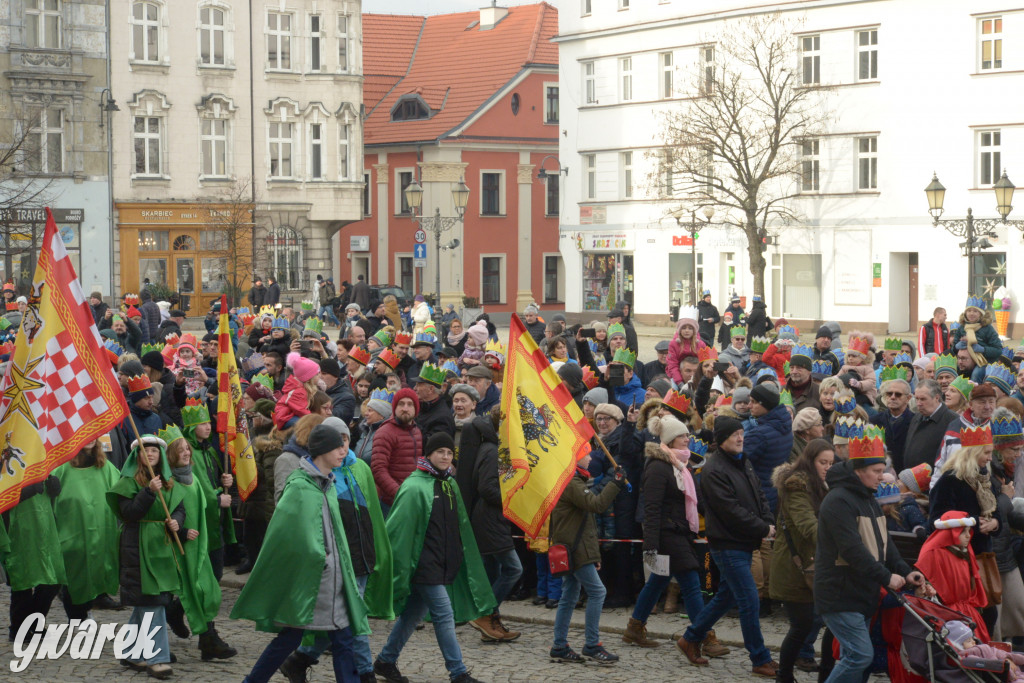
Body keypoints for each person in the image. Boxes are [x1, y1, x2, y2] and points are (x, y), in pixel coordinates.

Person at [231, 424, 370, 683]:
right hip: (311, 581)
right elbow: (287, 534)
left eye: (344, 444)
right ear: (321, 451)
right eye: (337, 446)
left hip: (334, 581)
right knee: (292, 637)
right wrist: (321, 558)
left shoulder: (328, 484)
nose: (344, 451)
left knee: (342, 639)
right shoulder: (299, 487)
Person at [279, 417, 394, 683]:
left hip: (362, 553)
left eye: (344, 439)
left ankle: (300, 659)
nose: (342, 446)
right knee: (354, 619)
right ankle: (365, 673)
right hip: (341, 557)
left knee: (345, 618)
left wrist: (377, 549)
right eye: (336, 440)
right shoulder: (322, 474)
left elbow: (372, 514)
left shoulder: (361, 468)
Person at [374, 432, 493, 683]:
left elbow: (459, 527)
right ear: (428, 454)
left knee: (413, 615)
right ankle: (458, 672)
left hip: (441, 564)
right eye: (440, 452)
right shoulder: (414, 486)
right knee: (443, 614)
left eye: (449, 453)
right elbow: (397, 530)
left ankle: (385, 660)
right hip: (423, 565)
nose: (445, 457)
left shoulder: (449, 484)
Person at [814, 429, 928, 683]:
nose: (882, 476)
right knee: (859, 656)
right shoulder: (837, 501)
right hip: (840, 592)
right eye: (876, 471)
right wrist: (887, 577)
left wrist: (905, 570)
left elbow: (886, 546)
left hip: (862, 592)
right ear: (858, 471)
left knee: (852, 658)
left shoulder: (869, 500)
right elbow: (852, 549)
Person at [676, 417, 778, 677]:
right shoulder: (713, 470)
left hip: (744, 541)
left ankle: (691, 637)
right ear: (720, 440)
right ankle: (759, 658)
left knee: (727, 596)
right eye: (734, 434)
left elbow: (760, 495)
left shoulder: (744, 461)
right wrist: (761, 528)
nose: (740, 438)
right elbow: (730, 510)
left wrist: (767, 520)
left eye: (742, 433)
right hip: (727, 544)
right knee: (749, 600)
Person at [624, 416, 724, 656]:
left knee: (658, 581)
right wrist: (651, 545)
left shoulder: (682, 466)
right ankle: (704, 636)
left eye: (687, 435)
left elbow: (698, 500)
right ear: (670, 439)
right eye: (682, 436)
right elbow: (652, 509)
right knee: (691, 582)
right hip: (667, 534)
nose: (688, 439)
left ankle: (635, 627)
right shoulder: (658, 466)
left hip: (681, 532)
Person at [106, 435, 187, 679]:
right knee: (153, 602)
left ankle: (130, 651)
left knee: (147, 603)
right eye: (145, 450)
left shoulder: (169, 482)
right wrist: (148, 492)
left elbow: (179, 508)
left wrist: (176, 522)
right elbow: (128, 513)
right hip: (137, 547)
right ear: (137, 456)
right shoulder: (128, 482)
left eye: (154, 450)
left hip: (162, 547)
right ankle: (157, 658)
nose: (150, 453)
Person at [548, 441, 626, 665]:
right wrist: (616, 482)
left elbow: (586, 524)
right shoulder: (571, 482)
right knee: (598, 592)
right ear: (574, 458)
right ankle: (592, 644)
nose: (590, 459)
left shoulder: (573, 480)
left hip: (574, 548)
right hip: (574, 548)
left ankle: (559, 645)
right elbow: (597, 505)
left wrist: (595, 557)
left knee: (569, 595)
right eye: (586, 454)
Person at [163, 426, 236, 660]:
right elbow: (166, 514)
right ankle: (206, 638)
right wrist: (181, 531)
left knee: (207, 589)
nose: (186, 453)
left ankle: (205, 637)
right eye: (180, 450)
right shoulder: (168, 483)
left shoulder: (192, 477)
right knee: (193, 589)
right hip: (178, 546)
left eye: (187, 449)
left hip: (200, 542)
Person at [455, 411, 523, 643]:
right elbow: (487, 488)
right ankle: (485, 616)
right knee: (514, 569)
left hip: (489, 520)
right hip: (489, 521)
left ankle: (490, 625)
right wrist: (512, 499)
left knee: (493, 572)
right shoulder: (493, 451)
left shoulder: (491, 447)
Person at [770, 439, 834, 683]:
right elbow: (808, 525)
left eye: (830, 462)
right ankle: (784, 675)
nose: (827, 467)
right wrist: (839, 538)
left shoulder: (823, 485)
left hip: (815, 565)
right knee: (802, 626)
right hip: (795, 567)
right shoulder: (797, 486)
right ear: (810, 460)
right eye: (822, 462)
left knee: (821, 624)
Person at [51, 439, 120, 621]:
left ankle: (89, 607)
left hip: (101, 533)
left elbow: (121, 490)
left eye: (93, 435)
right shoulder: (63, 469)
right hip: (72, 533)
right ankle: (77, 616)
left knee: (97, 571)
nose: (89, 439)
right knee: (75, 575)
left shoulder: (106, 467)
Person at [5, 468, 65, 642]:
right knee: (23, 581)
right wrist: (27, 490)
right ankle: (17, 629)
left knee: (52, 581)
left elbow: (50, 497)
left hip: (44, 529)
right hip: (16, 530)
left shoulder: (41, 463)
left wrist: (53, 487)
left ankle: (33, 622)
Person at [916, 511, 991, 642]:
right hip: (949, 617)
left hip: (968, 613)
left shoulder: (964, 551)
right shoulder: (934, 554)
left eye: (969, 531)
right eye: (964, 532)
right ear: (951, 533)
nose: (968, 536)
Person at [371, 388, 424, 510]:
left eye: (410, 404)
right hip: (391, 502)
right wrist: (399, 493)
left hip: (411, 498)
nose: (405, 408)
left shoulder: (417, 431)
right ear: (394, 408)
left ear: (416, 409)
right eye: (401, 404)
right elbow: (378, 470)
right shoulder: (385, 432)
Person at [903, 378, 958, 472]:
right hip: (912, 479)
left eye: (923, 399)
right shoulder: (916, 418)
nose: (919, 404)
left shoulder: (953, 421)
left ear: (937, 397)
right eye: (917, 399)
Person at [870, 378, 914, 472]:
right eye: (889, 394)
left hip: (906, 473)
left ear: (908, 398)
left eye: (898, 394)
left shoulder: (916, 422)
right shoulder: (874, 421)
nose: (893, 397)